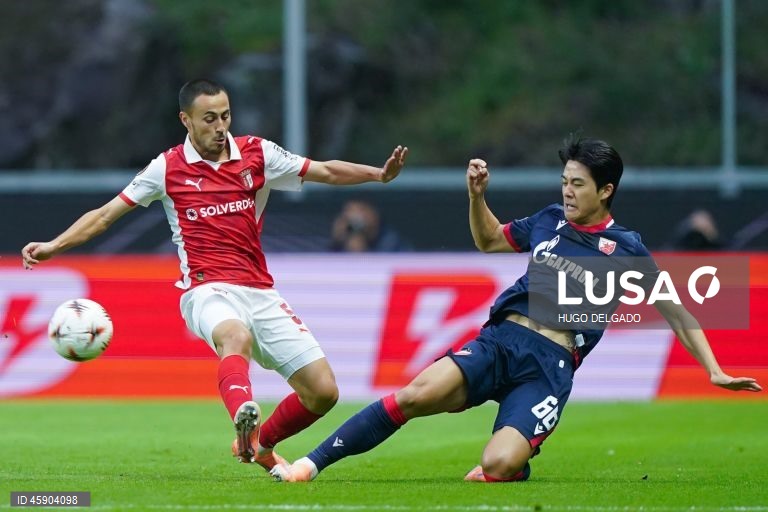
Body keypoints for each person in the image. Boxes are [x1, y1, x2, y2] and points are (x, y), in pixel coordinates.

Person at [270, 136, 762, 483]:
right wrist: (476, 196)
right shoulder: (548, 220)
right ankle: (309, 466)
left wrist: (714, 370)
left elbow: (676, 310)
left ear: (605, 191)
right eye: (565, 181)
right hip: (500, 342)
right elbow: (488, 240)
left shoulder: (625, 248)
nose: (567, 192)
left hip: (548, 368)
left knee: (499, 464)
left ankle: (521, 456)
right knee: (416, 395)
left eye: (578, 184)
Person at [21, 78, 408, 473]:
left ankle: (260, 443)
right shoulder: (167, 167)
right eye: (209, 119)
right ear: (186, 120)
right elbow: (104, 216)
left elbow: (324, 170)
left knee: (323, 392)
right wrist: (55, 245)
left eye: (225, 116)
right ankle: (243, 411)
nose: (220, 126)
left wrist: (378, 175)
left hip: (260, 290)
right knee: (234, 336)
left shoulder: (257, 154)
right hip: (205, 290)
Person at [330, 199, 411, 252]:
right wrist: (338, 240)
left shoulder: (391, 241)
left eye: (361, 210)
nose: (355, 217)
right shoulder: (334, 241)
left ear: (374, 214)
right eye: (349, 211)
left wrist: (362, 249)